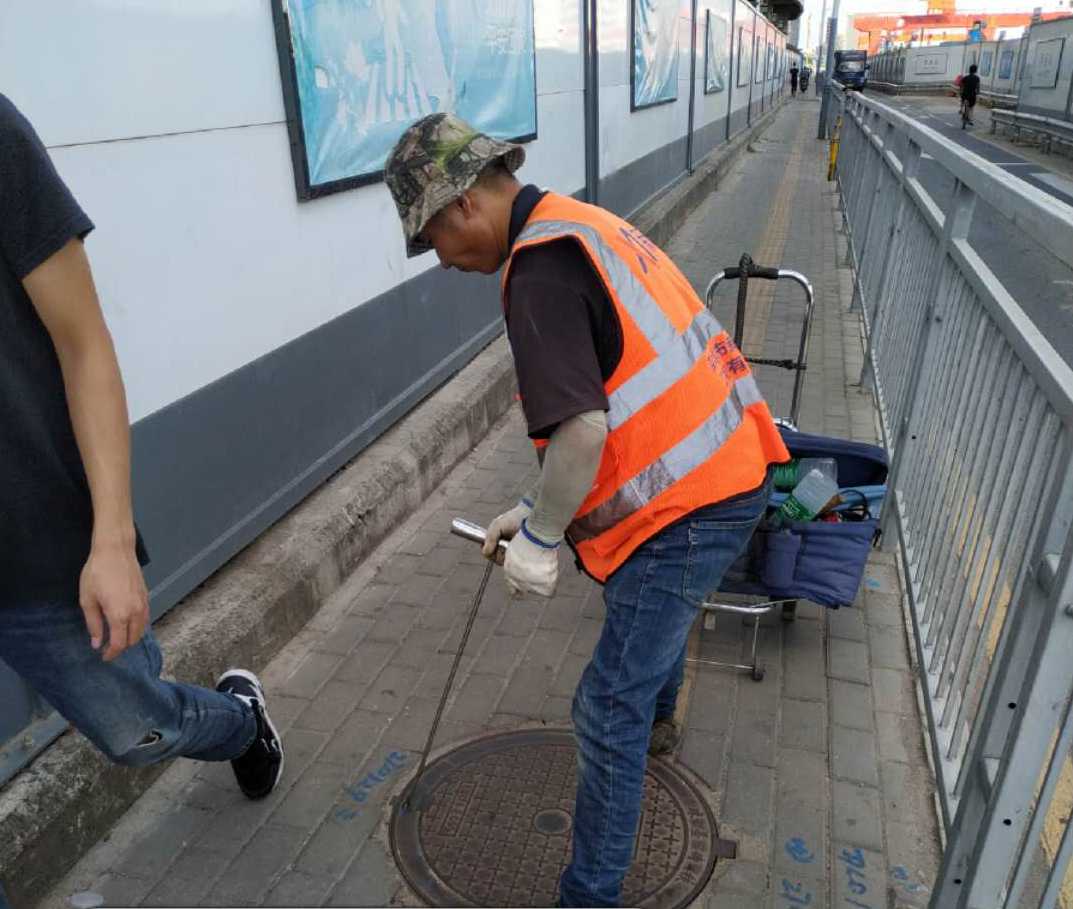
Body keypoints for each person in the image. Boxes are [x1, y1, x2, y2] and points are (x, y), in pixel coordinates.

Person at [384, 113, 789, 907]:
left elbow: (581, 425)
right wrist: (530, 506)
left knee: (605, 708)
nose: (440, 260)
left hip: (692, 505)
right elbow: (615, 398)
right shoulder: (579, 223)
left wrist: (540, 536)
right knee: (646, 620)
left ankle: (590, 894)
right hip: (729, 463)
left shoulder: (537, 271)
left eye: (429, 238)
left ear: (461, 205)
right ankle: (661, 722)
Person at [0, 93, 283, 805]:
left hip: (35, 542)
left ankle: (240, 722)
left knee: (136, 729)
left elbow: (84, 343)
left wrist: (112, 539)